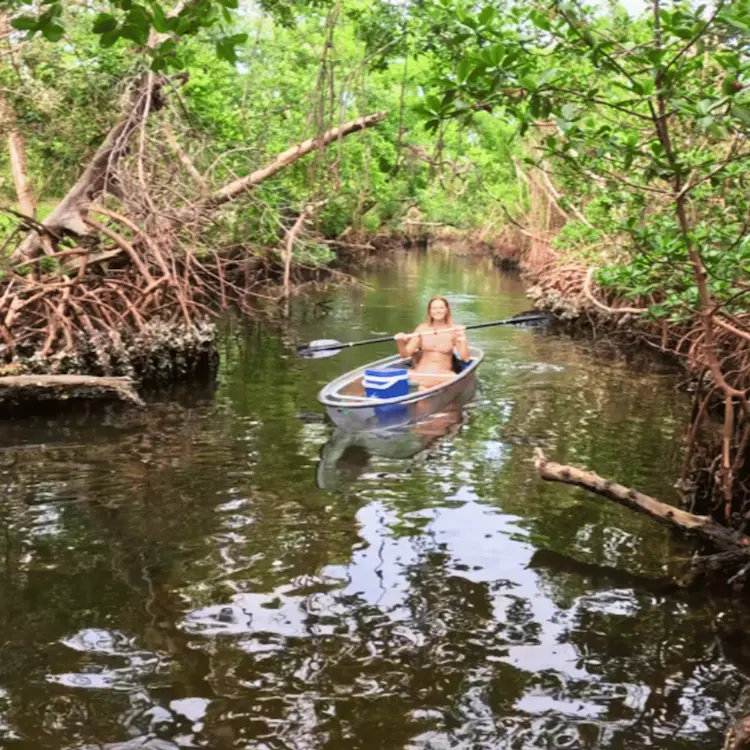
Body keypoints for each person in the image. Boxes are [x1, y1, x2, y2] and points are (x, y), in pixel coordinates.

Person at [394, 297, 470, 390]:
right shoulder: (422, 329)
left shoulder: (453, 330)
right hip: (420, 373)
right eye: (434, 308)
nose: (438, 311)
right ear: (429, 311)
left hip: (443, 376)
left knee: (425, 392)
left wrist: (463, 339)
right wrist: (400, 342)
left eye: (441, 308)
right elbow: (405, 355)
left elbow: (465, 358)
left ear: (446, 310)